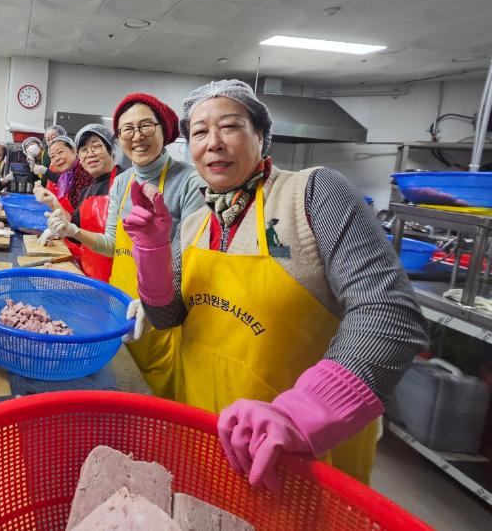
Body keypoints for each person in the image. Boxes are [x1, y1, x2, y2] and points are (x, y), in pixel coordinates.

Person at [124, 79, 428, 489]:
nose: (213, 143)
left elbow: (389, 313)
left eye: (230, 126)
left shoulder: (312, 194)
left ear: (261, 136)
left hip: (295, 453)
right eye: (199, 132)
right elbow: (166, 317)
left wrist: (301, 415)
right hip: (206, 435)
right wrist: (152, 249)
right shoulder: (195, 224)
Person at [46, 94, 205, 398]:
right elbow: (112, 245)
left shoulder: (189, 181)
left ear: (164, 130)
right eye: (127, 129)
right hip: (119, 306)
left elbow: (191, 261)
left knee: (153, 402)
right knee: (118, 389)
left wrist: (154, 304)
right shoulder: (123, 182)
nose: (137, 136)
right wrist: (73, 230)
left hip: (162, 318)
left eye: (146, 126)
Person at [69, 124, 120, 281]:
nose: (90, 154)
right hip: (89, 276)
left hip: (118, 279)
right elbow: (74, 236)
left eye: (96, 147)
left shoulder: (125, 182)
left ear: (111, 150)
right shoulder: (86, 192)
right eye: (84, 150)